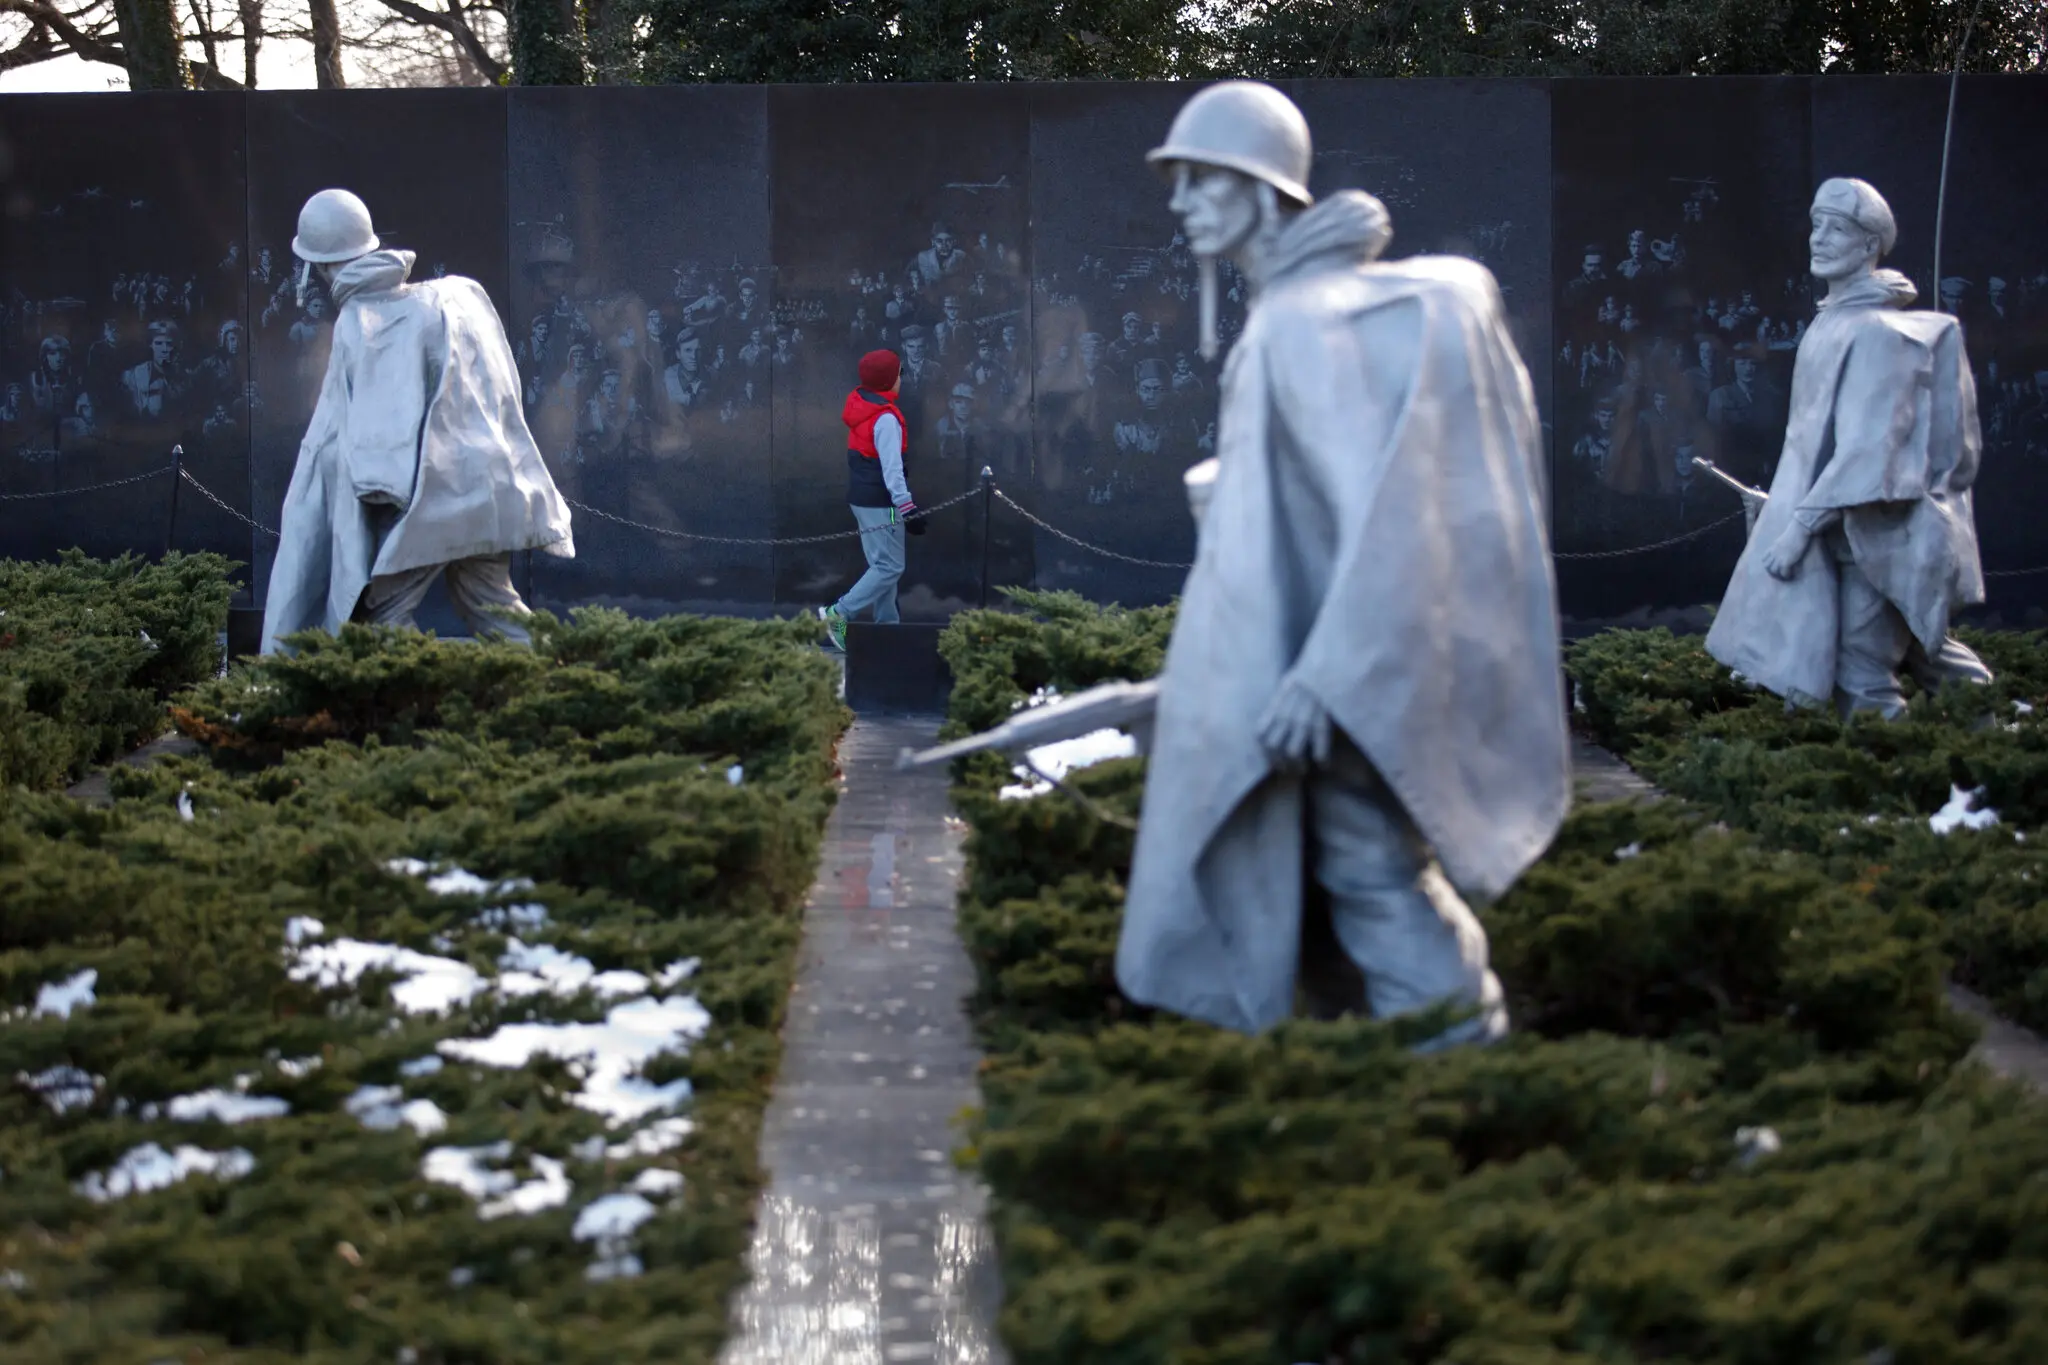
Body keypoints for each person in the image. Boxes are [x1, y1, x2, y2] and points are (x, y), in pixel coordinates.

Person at [1116, 81, 1569, 1046]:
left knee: (1369, 870)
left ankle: (1464, 1055)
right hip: (1335, 658)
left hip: (1341, 672)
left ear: (1259, 190)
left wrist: (1323, 679)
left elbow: (1394, 514)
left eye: (1201, 180)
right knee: (1338, 864)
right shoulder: (1311, 314)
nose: (1181, 202)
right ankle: (1379, 1050)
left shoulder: (1299, 324)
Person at [1706, 177, 1992, 718]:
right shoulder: (1830, 324)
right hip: (1845, 529)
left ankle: (1889, 783)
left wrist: (1799, 528)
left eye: (1838, 228)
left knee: (1862, 671)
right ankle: (1987, 738)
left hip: (1876, 532)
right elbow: (1818, 444)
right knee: (1924, 654)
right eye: (1816, 224)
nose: (1820, 238)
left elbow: (1870, 450)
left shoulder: (1881, 334)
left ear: (1869, 246)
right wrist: (1787, 507)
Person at [262, 189, 574, 654]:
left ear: (322, 265)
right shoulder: (456, 296)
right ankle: (573, 676)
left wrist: (379, 506)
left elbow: (376, 438)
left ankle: (425, 691)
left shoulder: (361, 321)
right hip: (488, 483)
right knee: (491, 602)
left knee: (380, 615)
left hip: (433, 498)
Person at [818, 349, 922, 650]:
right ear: (888, 380)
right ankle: (838, 613)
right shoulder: (886, 419)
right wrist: (908, 508)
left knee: (881, 564)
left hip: (863, 499)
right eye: (899, 373)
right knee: (890, 567)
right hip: (882, 503)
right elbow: (891, 471)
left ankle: (887, 630)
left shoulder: (861, 405)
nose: (901, 379)